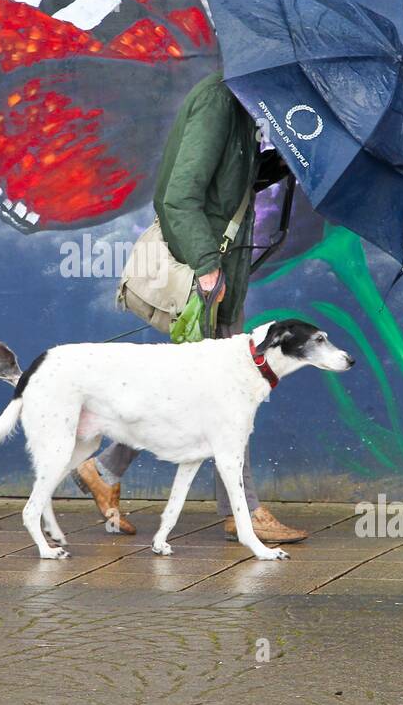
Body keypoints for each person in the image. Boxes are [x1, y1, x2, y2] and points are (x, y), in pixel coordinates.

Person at [74, 71, 308, 544]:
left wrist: (275, 165)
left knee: (194, 392)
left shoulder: (240, 112)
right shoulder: (218, 102)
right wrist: (205, 265)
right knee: (231, 395)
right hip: (208, 275)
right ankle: (245, 512)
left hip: (225, 276)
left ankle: (104, 468)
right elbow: (179, 196)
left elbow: (224, 185)